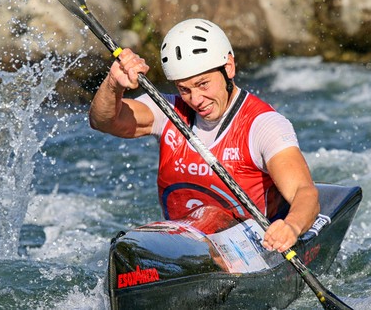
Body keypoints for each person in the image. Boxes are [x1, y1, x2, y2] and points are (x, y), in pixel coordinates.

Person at [89, 18, 319, 253]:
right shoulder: (168, 110)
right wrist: (113, 84)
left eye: (203, 84)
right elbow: (104, 121)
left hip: (251, 250)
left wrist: (290, 227)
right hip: (186, 248)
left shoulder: (263, 125)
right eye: (184, 89)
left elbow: (305, 192)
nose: (196, 99)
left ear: (229, 67)